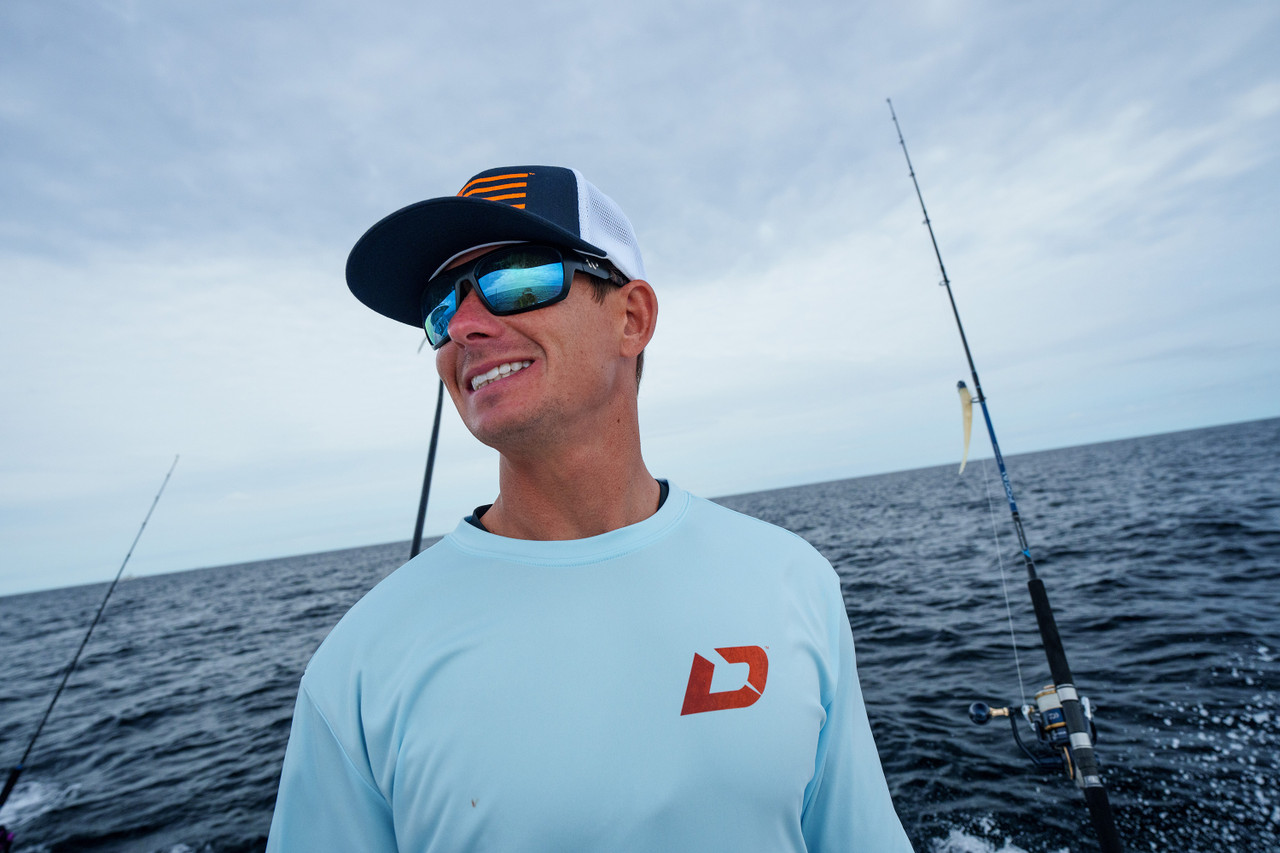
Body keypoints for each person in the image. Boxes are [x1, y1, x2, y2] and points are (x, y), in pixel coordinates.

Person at [266, 166, 913, 851]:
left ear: (631, 318)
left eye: (515, 278)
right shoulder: (356, 671)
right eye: (440, 307)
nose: (463, 325)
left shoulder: (795, 580)